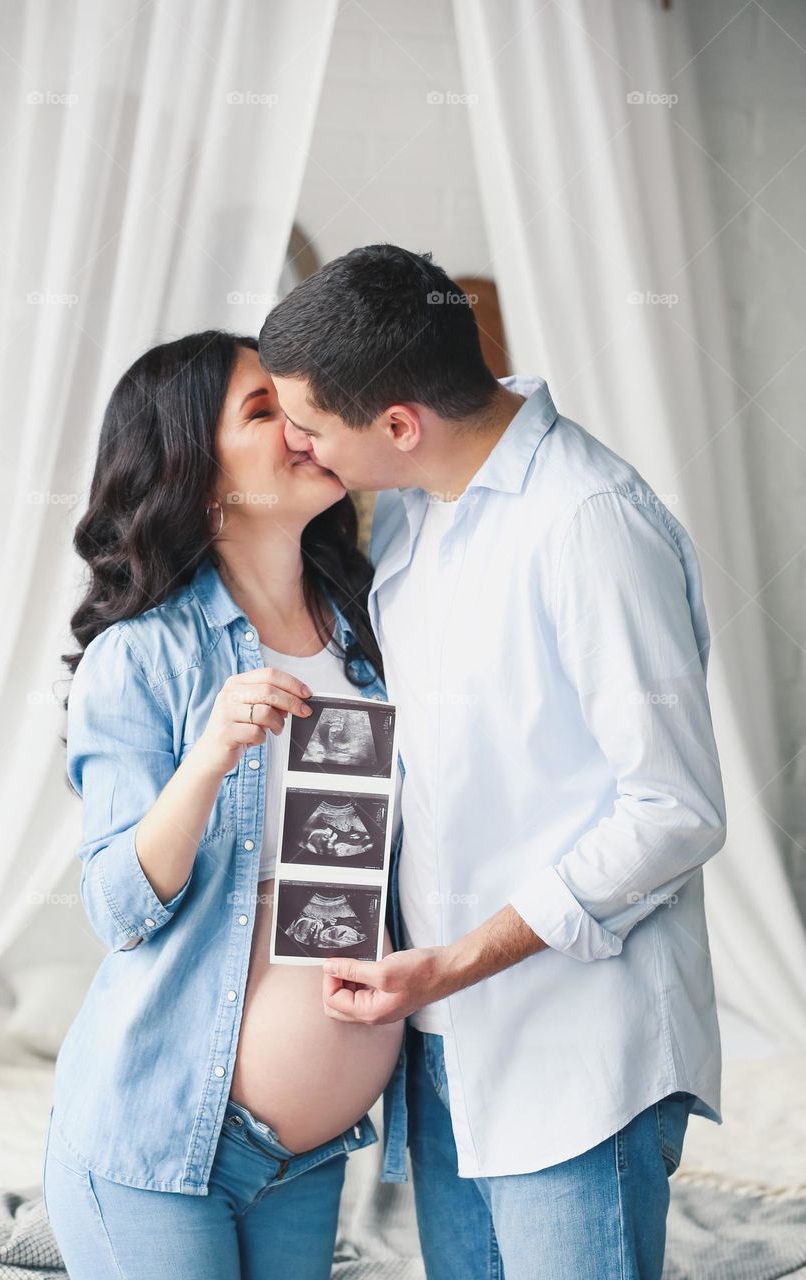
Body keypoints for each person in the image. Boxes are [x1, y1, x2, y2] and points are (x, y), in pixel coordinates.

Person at [258, 244, 728, 1280]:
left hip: (574, 1050)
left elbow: (674, 810)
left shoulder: (589, 524)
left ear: (396, 423)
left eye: (309, 422)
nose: (297, 441)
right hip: (443, 1043)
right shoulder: (422, 506)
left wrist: (456, 959)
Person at [41, 331, 404, 1280]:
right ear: (196, 476)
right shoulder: (144, 656)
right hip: (158, 1139)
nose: (300, 426)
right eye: (261, 411)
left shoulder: (374, 637)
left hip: (306, 1156)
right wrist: (207, 757)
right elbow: (116, 906)